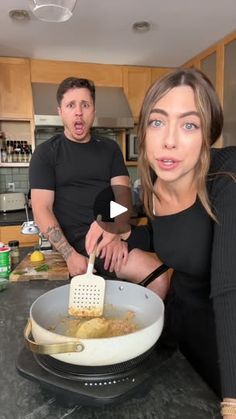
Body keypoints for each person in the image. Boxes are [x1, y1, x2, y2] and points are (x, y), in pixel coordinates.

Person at [114, 68, 236, 417]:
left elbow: (230, 289)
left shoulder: (226, 177)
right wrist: (106, 223)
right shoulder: (154, 180)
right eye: (157, 122)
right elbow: (123, 200)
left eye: (189, 125)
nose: (169, 140)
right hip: (188, 342)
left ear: (208, 135)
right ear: (144, 133)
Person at [29, 76, 169, 293]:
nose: (78, 111)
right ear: (60, 111)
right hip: (80, 243)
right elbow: (41, 208)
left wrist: (115, 229)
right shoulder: (46, 152)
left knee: (171, 248)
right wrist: (69, 255)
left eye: (85, 105)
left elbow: (122, 195)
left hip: (113, 229)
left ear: (93, 110)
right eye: (71, 105)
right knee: (159, 278)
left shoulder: (109, 148)